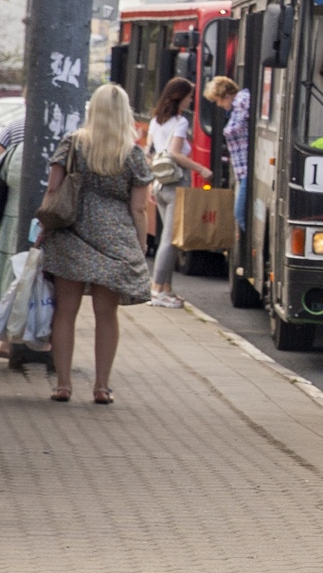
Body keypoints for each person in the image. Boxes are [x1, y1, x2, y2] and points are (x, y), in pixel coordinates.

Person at [40, 83, 154, 403]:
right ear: (124, 115)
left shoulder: (72, 144)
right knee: (106, 313)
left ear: (92, 111)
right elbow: (140, 207)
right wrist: (140, 244)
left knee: (66, 311)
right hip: (114, 238)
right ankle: (101, 386)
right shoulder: (131, 154)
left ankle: (63, 384)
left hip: (70, 231)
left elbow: (52, 190)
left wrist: (44, 227)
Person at [144, 76, 210, 308]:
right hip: (176, 183)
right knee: (170, 240)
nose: (191, 100)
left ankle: (167, 289)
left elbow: (148, 152)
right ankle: (156, 290)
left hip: (160, 183)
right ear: (179, 97)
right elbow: (175, 154)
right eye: (190, 96)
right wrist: (201, 168)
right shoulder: (180, 122)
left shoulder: (155, 121)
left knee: (169, 236)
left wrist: (152, 181)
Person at [211, 75, 250, 233]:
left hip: (246, 166)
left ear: (225, 95)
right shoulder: (235, 107)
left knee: (240, 213)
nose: (219, 105)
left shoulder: (242, 101)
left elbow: (241, 126)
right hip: (241, 168)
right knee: (240, 213)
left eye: (218, 100)